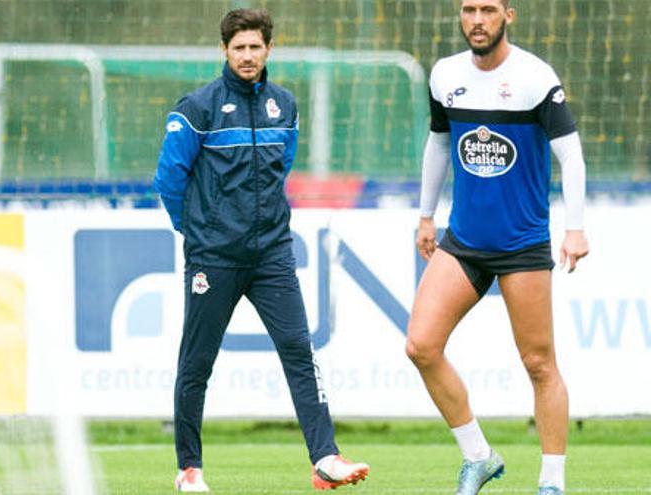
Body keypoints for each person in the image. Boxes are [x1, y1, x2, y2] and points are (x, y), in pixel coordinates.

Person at [154, 8, 369, 493]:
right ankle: (189, 468)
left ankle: (325, 458)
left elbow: (281, 170)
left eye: (255, 47)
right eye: (238, 48)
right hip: (214, 258)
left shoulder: (285, 106)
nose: (247, 56)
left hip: (272, 254)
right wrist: (200, 233)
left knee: (298, 350)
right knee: (197, 362)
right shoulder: (196, 109)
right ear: (224, 51)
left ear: (269, 49)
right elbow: (168, 180)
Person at [406, 1, 589, 494]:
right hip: (463, 240)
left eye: (488, 9)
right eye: (468, 9)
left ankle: (551, 483)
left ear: (508, 15)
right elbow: (440, 143)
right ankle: (479, 456)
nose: (477, 19)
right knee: (420, 346)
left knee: (539, 364)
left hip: (521, 244)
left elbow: (569, 153)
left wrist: (575, 227)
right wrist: (426, 216)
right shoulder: (445, 75)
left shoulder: (534, 76)